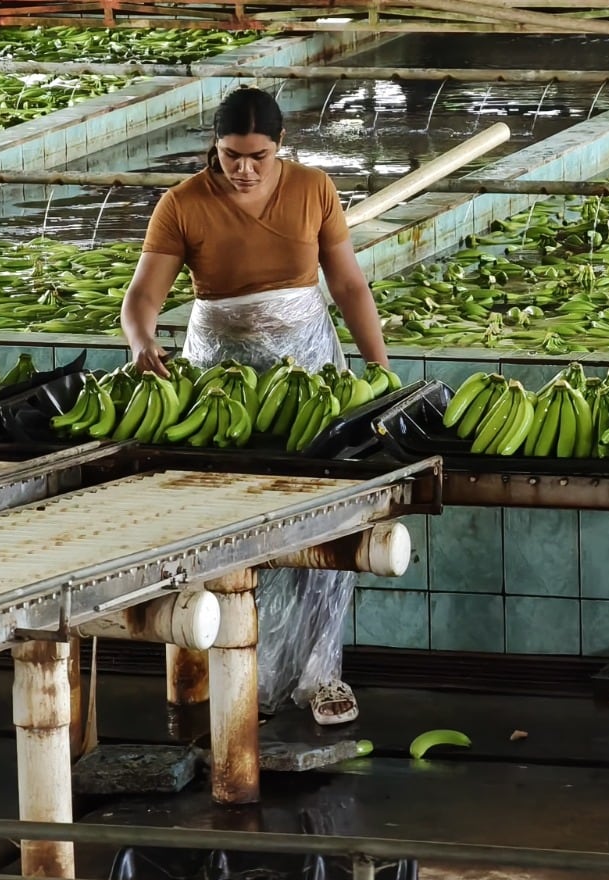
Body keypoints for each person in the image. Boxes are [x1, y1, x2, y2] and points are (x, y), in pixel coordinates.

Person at [121, 87, 392, 725]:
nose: (243, 169)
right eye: (230, 156)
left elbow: (348, 282)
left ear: (280, 148)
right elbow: (143, 298)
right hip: (220, 372)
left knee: (323, 518)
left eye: (258, 156)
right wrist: (141, 343)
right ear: (214, 149)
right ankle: (234, 671)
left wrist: (378, 366)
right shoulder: (182, 204)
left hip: (309, 364)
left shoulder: (315, 189)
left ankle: (321, 675)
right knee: (230, 518)